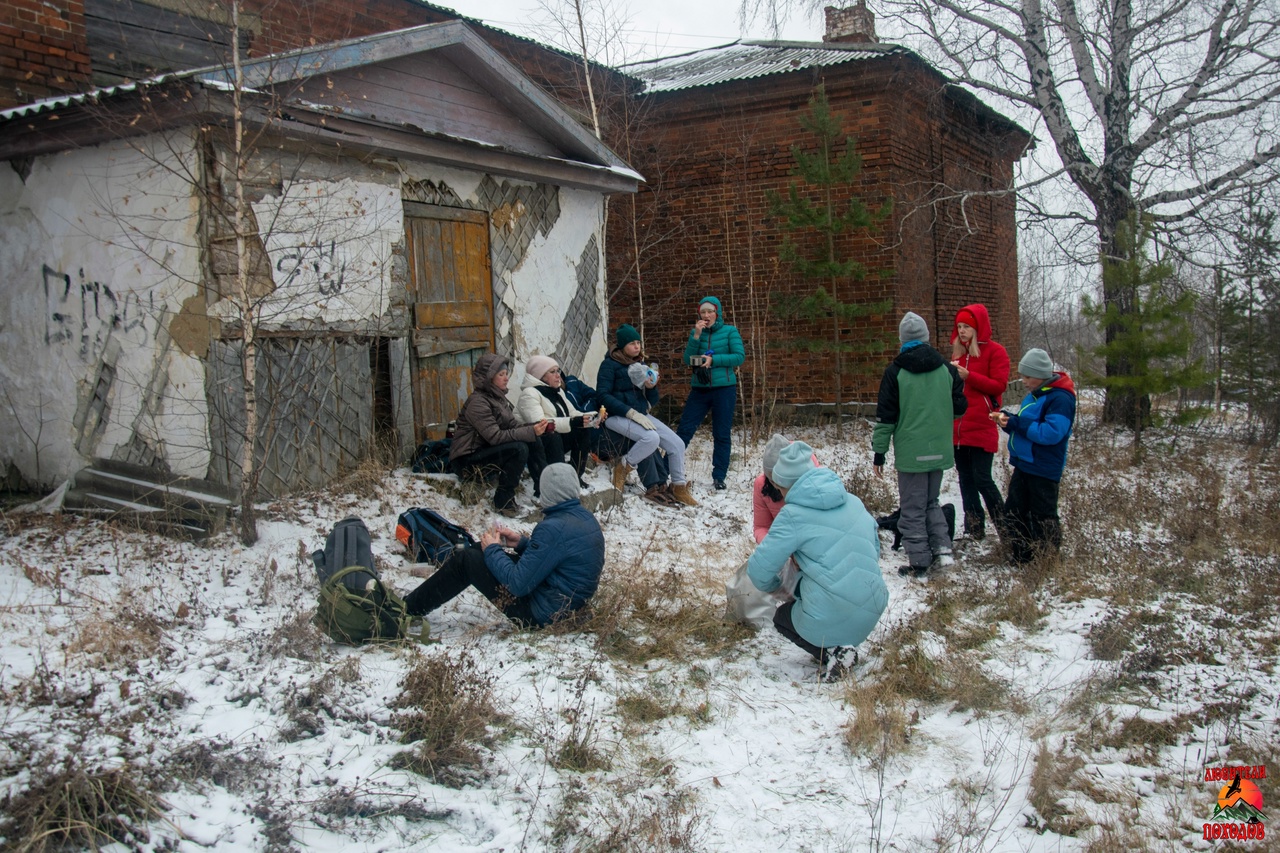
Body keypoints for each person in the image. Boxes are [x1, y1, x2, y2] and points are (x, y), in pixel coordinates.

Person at [747, 441, 888, 681]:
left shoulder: (792, 516)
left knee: (782, 618)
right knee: (813, 586)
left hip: (831, 609)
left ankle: (835, 652)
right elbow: (874, 549)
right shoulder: (854, 501)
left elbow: (758, 571)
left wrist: (780, 590)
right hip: (875, 604)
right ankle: (842, 639)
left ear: (782, 485)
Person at [403, 464, 605, 627]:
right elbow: (556, 556)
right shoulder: (585, 517)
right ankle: (414, 602)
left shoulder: (553, 527)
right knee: (475, 549)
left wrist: (493, 550)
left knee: (467, 560)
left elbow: (517, 584)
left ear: (548, 493)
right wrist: (521, 543)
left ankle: (407, 609)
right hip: (565, 605)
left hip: (542, 614)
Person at [871, 311, 967, 578]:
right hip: (939, 449)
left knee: (912, 508)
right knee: (931, 502)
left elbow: (885, 418)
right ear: (925, 338)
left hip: (911, 453)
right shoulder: (947, 369)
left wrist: (879, 453)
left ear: (902, 340)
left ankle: (920, 561)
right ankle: (943, 551)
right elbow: (960, 408)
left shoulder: (895, 372)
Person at [990, 348, 1076, 565]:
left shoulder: (1060, 399)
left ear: (1041, 375)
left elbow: (1051, 433)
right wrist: (1008, 421)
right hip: (1024, 464)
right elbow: (1026, 425)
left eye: (1028, 376)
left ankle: (1047, 560)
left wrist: (1017, 423)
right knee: (1015, 512)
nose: (1023, 381)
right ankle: (1022, 557)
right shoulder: (1034, 395)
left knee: (1043, 516)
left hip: (1044, 467)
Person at [596, 323, 697, 507]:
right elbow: (602, 395)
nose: (637, 346)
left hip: (640, 414)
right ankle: (622, 469)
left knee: (677, 444)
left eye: (638, 342)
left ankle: (679, 486)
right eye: (632, 343)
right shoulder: (609, 365)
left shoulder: (640, 365)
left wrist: (651, 387)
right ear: (621, 345)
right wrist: (629, 411)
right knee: (651, 438)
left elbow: (652, 399)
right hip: (616, 416)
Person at [449, 353, 551, 516]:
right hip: (466, 461)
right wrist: (529, 431)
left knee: (533, 440)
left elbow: (512, 425)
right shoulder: (478, 403)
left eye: (506, 374)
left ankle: (544, 492)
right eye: (501, 375)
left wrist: (535, 428)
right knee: (519, 448)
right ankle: (504, 503)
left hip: (485, 452)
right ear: (489, 378)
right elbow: (495, 437)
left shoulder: (498, 398)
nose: (506, 378)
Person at [949, 304, 1011, 541]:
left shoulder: (995, 352)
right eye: (959, 327)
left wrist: (969, 376)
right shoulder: (958, 355)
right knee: (965, 479)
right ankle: (974, 529)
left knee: (982, 478)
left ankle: (1006, 528)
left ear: (978, 328)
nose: (962, 331)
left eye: (967, 327)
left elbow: (998, 385)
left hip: (982, 425)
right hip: (959, 428)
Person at [675, 295, 745, 490]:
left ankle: (719, 476)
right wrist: (696, 336)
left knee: (721, 433)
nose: (706, 315)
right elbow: (689, 359)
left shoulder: (730, 331)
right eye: (703, 312)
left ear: (717, 313)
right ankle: (666, 470)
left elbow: (739, 357)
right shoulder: (696, 332)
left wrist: (714, 360)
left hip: (724, 390)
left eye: (710, 311)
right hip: (700, 389)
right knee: (684, 431)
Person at [517, 355, 598, 489]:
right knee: (552, 436)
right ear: (541, 376)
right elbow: (540, 424)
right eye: (552, 372)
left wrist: (592, 417)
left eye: (558, 371)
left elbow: (572, 413)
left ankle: (574, 476)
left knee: (582, 431)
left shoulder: (557, 391)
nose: (558, 376)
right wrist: (573, 422)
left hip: (557, 437)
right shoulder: (529, 393)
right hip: (537, 442)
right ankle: (558, 482)